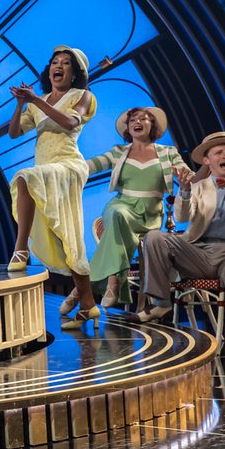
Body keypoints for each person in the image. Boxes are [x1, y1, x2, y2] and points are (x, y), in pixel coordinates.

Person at [132, 132, 225, 361]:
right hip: (199, 254)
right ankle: (160, 303)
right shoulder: (199, 187)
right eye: (219, 152)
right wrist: (184, 191)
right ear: (207, 161)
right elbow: (183, 215)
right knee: (154, 237)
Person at [7, 45, 99, 330]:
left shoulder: (82, 96)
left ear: (74, 74)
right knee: (67, 236)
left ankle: (20, 249)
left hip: (69, 166)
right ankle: (87, 305)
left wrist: (37, 100)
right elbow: (13, 133)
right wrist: (23, 103)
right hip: (48, 169)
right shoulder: (39, 101)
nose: (58, 67)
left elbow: (71, 123)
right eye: (54, 62)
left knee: (24, 176)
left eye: (66, 63)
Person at [84, 107, 190, 307]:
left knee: (117, 227)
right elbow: (89, 165)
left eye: (144, 118)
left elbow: (188, 176)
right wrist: (66, 163)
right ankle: (113, 283)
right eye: (132, 120)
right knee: (117, 214)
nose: (137, 122)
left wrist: (202, 171)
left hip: (150, 213)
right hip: (121, 204)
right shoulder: (118, 152)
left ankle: (81, 290)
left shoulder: (168, 153)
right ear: (128, 127)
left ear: (153, 126)